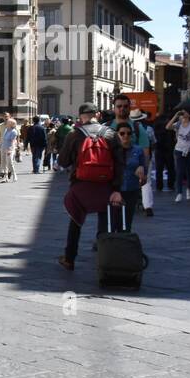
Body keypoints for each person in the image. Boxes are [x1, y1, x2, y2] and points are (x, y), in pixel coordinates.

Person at [56, 104, 124, 272]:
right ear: (98, 115)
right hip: (106, 185)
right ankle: (106, 260)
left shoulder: (74, 135)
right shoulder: (111, 134)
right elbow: (120, 163)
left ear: (81, 117)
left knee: (75, 221)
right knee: (105, 222)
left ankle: (69, 258)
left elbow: (63, 162)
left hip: (81, 186)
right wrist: (117, 188)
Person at [113, 122, 148, 230]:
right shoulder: (112, 150)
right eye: (122, 133)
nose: (126, 136)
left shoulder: (138, 150)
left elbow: (143, 167)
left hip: (132, 189)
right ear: (117, 134)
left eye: (129, 133)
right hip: (115, 190)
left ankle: (124, 243)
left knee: (127, 221)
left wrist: (142, 170)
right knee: (114, 220)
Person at [167, 109, 190, 201]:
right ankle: (179, 193)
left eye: (185, 112)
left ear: (189, 114)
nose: (184, 114)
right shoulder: (178, 124)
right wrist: (176, 116)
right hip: (179, 150)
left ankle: (189, 190)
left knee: (189, 172)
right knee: (179, 172)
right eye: (182, 113)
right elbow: (167, 127)